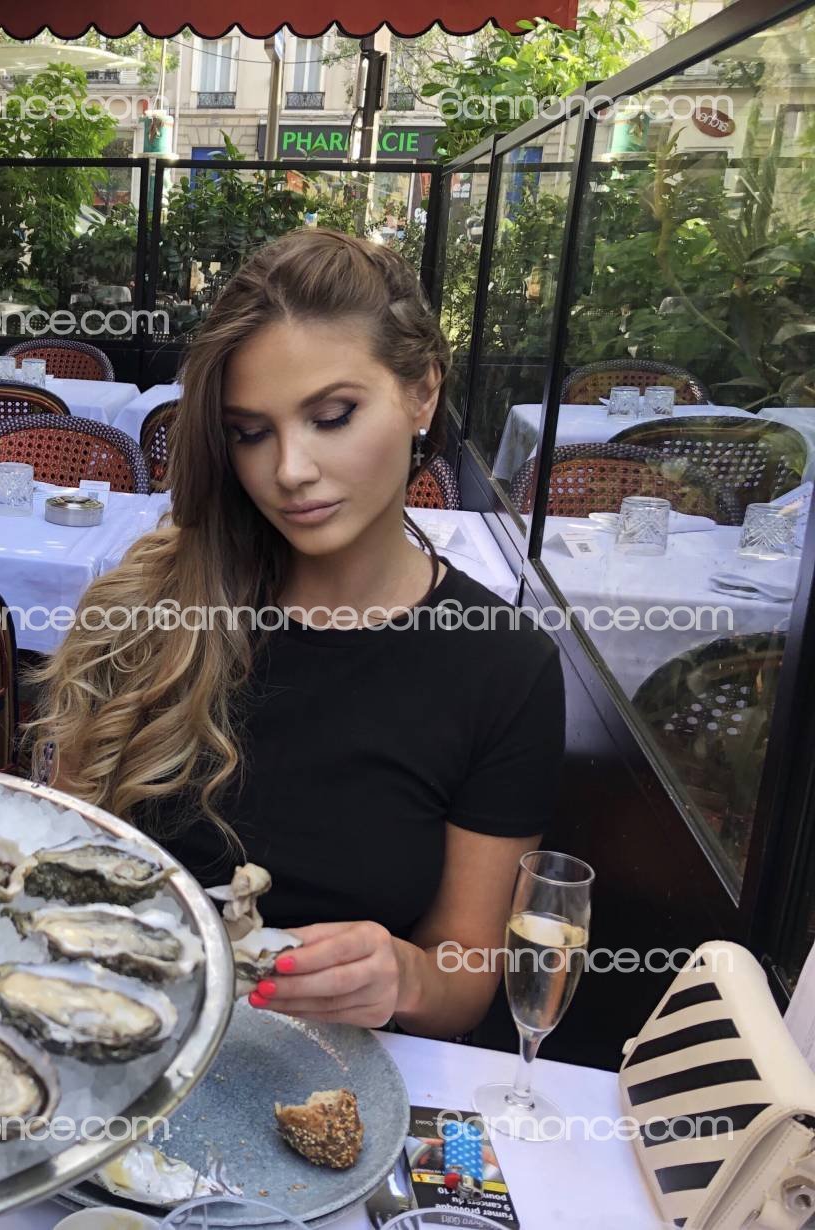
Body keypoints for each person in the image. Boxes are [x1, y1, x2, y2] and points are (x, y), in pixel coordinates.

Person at [29, 228, 565, 1040]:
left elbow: (463, 980)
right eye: (250, 432)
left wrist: (402, 973)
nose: (289, 470)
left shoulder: (504, 668)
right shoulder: (152, 606)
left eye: (332, 417)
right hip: (115, 1042)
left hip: (335, 1082)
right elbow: (54, 864)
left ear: (423, 393)